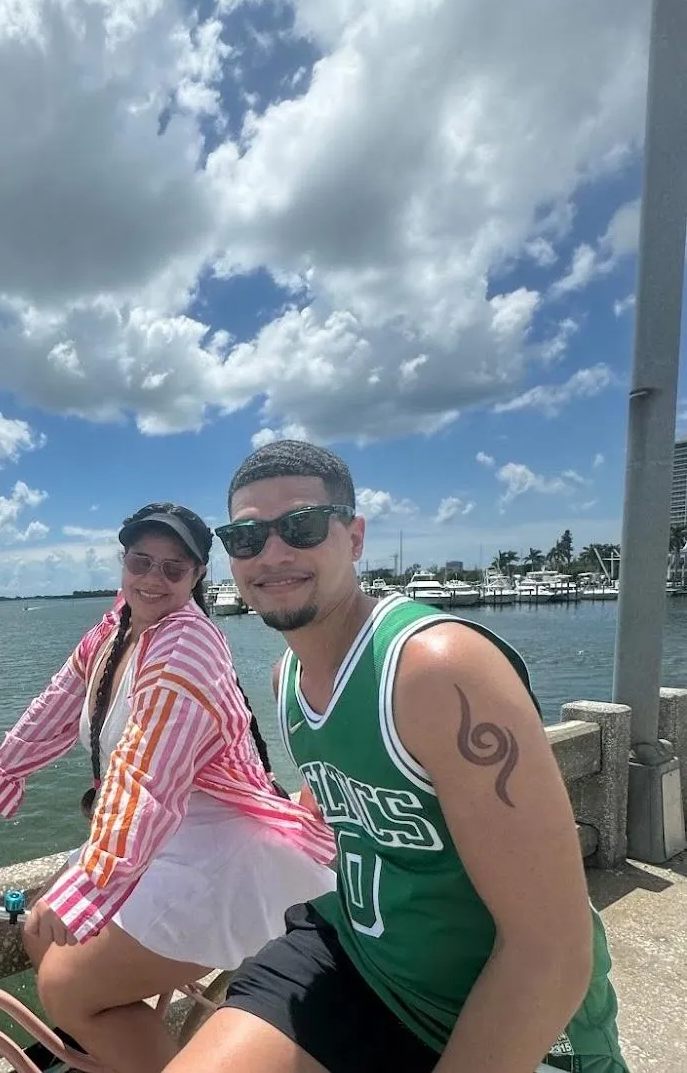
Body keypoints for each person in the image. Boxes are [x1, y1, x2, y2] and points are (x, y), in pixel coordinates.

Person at [162, 440, 628, 1073]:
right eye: (245, 538)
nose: (272, 553)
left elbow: (552, 950)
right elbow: (339, 821)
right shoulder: (287, 682)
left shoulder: (436, 672)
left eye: (300, 526)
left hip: (499, 1008)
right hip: (355, 956)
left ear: (353, 538)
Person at [0, 502, 337, 1073]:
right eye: (141, 561)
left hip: (215, 842)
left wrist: (88, 887)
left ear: (199, 575)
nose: (153, 579)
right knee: (39, 935)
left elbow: (144, 776)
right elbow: (59, 701)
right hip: (154, 835)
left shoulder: (186, 648)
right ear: (123, 561)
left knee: (66, 986)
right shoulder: (119, 624)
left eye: (173, 569)